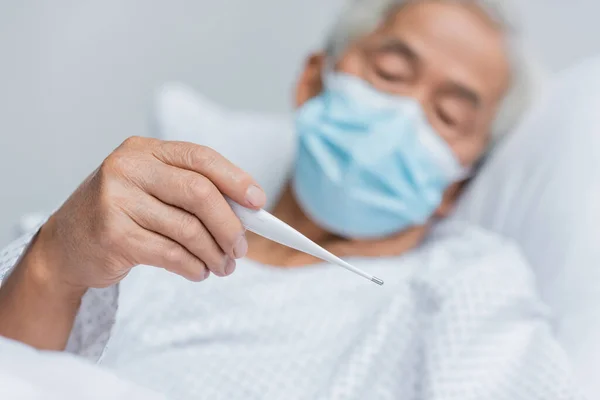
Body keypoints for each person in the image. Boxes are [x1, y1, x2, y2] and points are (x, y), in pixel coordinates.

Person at [0, 0, 582, 399]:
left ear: (456, 184)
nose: (404, 118)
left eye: (448, 114)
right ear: (311, 82)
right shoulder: (149, 219)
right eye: (390, 72)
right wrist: (54, 261)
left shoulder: (468, 282)